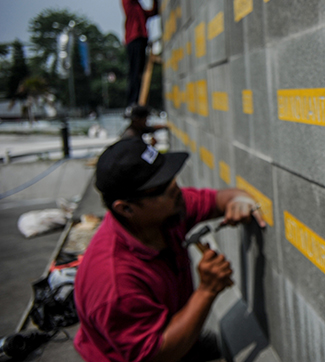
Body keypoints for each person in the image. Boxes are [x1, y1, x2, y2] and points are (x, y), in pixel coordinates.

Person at [73, 138, 265, 362]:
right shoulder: (114, 281)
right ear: (126, 208)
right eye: (161, 187)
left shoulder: (166, 213)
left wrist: (238, 201)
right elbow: (156, 355)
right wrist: (207, 290)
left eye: (170, 178)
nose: (175, 188)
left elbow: (218, 199)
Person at [122, 0, 158, 107]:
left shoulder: (138, 9)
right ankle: (133, 102)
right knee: (135, 72)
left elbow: (154, 12)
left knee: (140, 72)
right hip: (134, 40)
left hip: (140, 40)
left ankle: (138, 100)